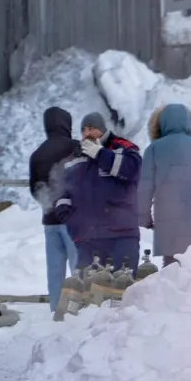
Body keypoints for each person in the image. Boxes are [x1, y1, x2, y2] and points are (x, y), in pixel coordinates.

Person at [139, 103, 191, 263]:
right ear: (189, 123)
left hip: (168, 226)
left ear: (160, 124)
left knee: (171, 273)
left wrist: (144, 219)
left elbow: (144, 189)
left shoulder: (154, 149)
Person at [62, 111, 143, 270]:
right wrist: (70, 219)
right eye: (83, 130)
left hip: (122, 235)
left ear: (102, 129)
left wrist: (100, 154)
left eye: (91, 128)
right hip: (88, 238)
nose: (87, 134)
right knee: (85, 291)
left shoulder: (121, 147)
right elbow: (63, 191)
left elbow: (133, 170)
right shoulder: (75, 157)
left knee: (121, 288)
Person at [27, 106, 80, 311]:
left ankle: (56, 308)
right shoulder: (76, 147)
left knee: (55, 269)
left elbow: (34, 189)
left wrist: (48, 204)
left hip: (49, 220)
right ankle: (79, 307)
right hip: (74, 220)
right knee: (79, 267)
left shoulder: (37, 154)